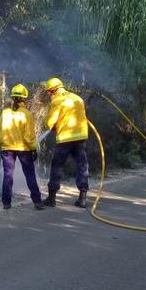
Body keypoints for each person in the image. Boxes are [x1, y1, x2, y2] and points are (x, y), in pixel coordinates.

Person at [42, 77, 89, 208]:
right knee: (82, 165)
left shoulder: (57, 101)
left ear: (52, 90)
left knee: (57, 166)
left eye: (48, 93)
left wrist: (53, 125)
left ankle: (51, 198)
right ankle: (83, 198)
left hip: (65, 139)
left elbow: (50, 123)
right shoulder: (77, 98)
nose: (48, 95)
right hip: (81, 138)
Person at [0, 84, 45, 211]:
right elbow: (29, 136)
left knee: (8, 175)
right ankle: (37, 202)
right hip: (24, 149)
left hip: (7, 148)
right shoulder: (26, 114)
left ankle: (6, 203)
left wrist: (1, 145)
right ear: (25, 98)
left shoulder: (5, 113)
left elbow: (0, 133)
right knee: (30, 174)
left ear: (13, 97)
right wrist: (33, 148)